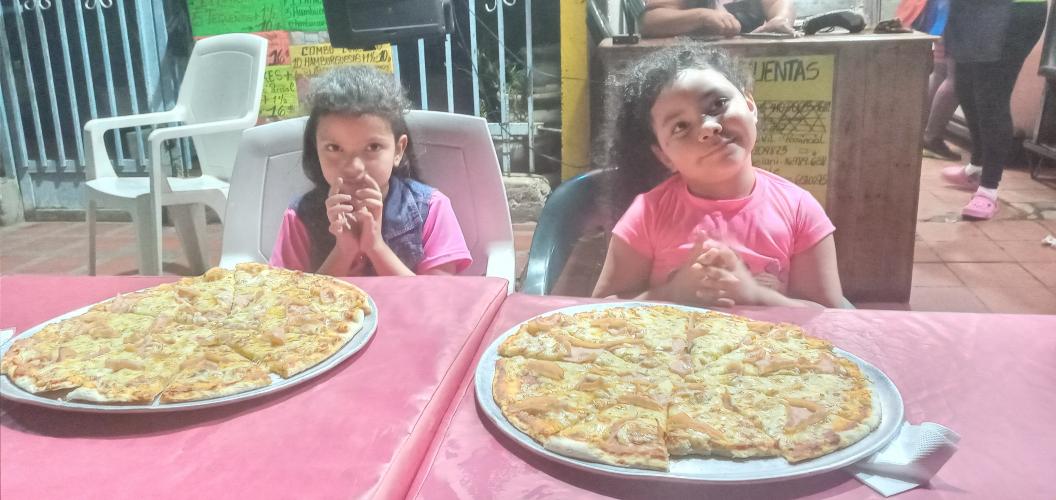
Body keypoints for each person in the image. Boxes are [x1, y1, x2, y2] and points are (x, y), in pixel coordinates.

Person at [592, 46, 847, 309]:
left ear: (751, 106)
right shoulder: (647, 214)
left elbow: (830, 319)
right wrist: (672, 293)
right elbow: (600, 310)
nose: (708, 127)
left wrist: (755, 295)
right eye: (680, 126)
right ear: (664, 156)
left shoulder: (799, 210)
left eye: (718, 104)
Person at [270, 66, 473, 276]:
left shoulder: (431, 208)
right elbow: (290, 301)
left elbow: (439, 298)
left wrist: (376, 247)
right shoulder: (299, 217)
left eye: (373, 147)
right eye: (334, 148)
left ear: (398, 150)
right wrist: (343, 251)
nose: (353, 167)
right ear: (316, 149)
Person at [939, 0, 1047, 220]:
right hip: (972, 10)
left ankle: (989, 189)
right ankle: (976, 168)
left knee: (991, 96)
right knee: (965, 88)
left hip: (1013, 11)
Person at [915, 0, 962, 161]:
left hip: (941, 11)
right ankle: (931, 138)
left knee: (940, 72)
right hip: (959, 15)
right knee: (957, 79)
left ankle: (921, 135)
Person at [640, 0, 795, 38]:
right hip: (694, 67)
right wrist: (701, 16)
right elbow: (650, 21)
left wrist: (781, 18)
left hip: (757, 67)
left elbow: (779, 4)